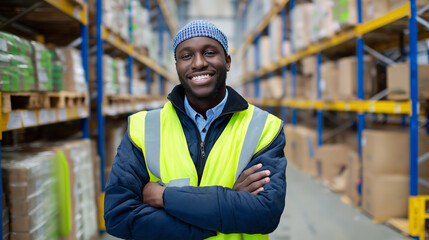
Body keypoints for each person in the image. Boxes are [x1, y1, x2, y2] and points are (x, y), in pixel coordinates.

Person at [104, 20, 287, 240]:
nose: (198, 63)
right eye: (186, 56)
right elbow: (119, 216)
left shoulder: (263, 127)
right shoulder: (143, 128)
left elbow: (264, 214)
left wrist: (165, 197)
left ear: (227, 61)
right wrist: (222, 213)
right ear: (177, 66)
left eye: (209, 52)